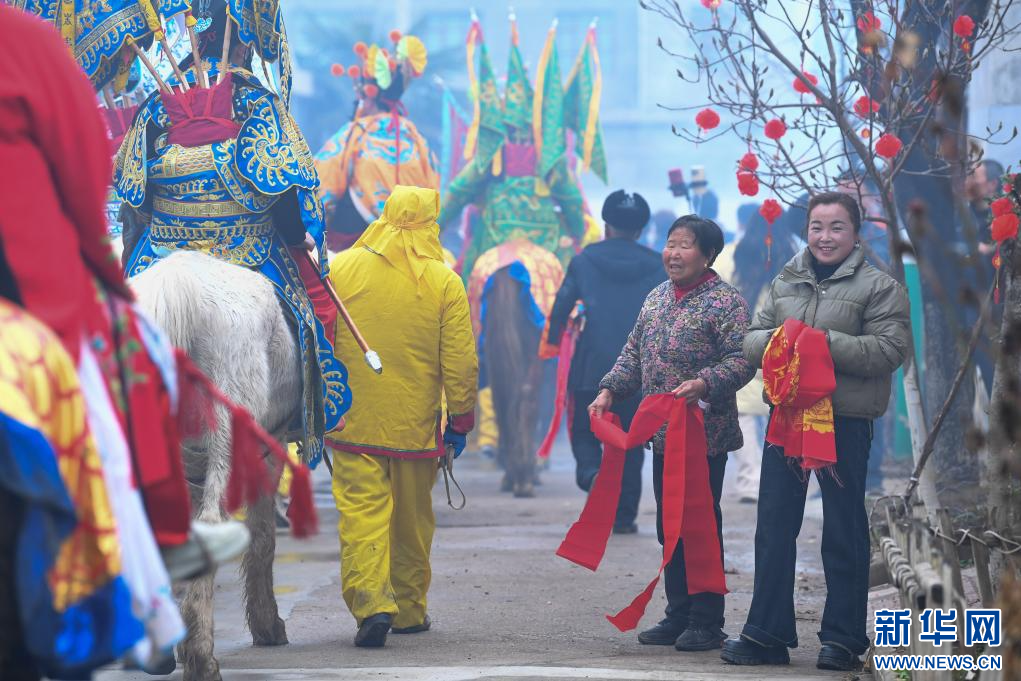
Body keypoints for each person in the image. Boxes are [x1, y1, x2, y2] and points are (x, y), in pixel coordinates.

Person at [0, 6, 251, 675]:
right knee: (137, 358)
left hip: (157, 236)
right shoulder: (26, 43)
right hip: (29, 286)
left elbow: (130, 187)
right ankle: (162, 549)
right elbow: (89, 182)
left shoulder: (149, 114)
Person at [115, 0, 350, 467]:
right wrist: (298, 236)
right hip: (247, 245)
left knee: (113, 314)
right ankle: (309, 411)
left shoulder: (155, 104)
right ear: (242, 41)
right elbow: (279, 182)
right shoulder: (256, 100)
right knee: (313, 312)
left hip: (164, 244)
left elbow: (134, 193)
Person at [721, 192, 910, 671]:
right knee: (774, 525)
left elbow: (889, 351)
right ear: (806, 231)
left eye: (836, 227)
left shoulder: (880, 286)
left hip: (843, 422)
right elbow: (751, 339)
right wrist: (781, 341)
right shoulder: (786, 279)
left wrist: (821, 342)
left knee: (843, 528)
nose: (825, 237)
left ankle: (843, 639)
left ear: (856, 232)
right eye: (817, 228)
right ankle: (766, 633)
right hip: (787, 418)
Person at [590, 215, 754, 652]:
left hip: (704, 435)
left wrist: (704, 383)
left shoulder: (726, 303)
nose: (674, 254)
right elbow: (632, 352)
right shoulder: (657, 296)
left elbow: (742, 360)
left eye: (685, 245)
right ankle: (679, 613)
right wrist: (609, 389)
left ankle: (707, 620)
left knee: (699, 525)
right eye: (670, 244)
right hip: (663, 434)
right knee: (670, 525)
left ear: (708, 255)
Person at [326, 186, 478, 648]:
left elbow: (319, 338)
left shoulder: (340, 268)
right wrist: (461, 421)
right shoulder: (444, 281)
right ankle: (409, 611)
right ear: (431, 223)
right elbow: (461, 363)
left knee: (361, 516)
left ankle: (372, 604)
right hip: (415, 429)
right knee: (412, 520)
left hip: (353, 422)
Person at [546, 189, 664, 533]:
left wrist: (552, 343)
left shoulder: (584, 260)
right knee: (630, 442)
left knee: (584, 431)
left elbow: (561, 307)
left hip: (591, 365)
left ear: (606, 226)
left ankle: (591, 473)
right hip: (638, 371)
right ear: (640, 229)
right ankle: (623, 518)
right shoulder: (657, 264)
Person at [315, 32, 439, 252]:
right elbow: (434, 194)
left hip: (358, 247)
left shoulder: (355, 133)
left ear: (368, 96)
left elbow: (320, 188)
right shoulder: (417, 140)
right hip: (411, 247)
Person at [714, 204, 797, 503]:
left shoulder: (729, 256)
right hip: (783, 341)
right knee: (783, 410)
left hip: (740, 342)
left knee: (744, 412)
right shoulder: (794, 258)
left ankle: (751, 480)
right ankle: (785, 480)